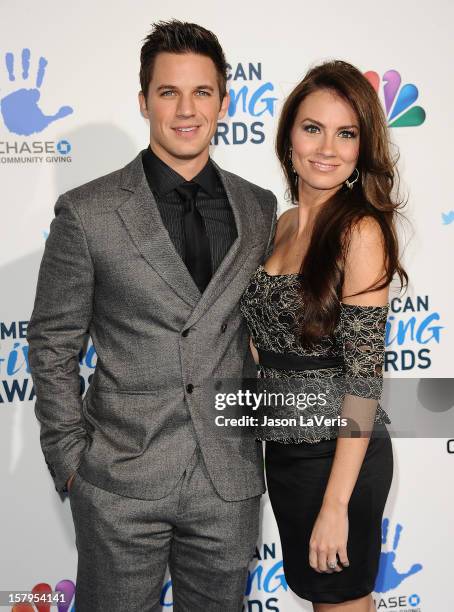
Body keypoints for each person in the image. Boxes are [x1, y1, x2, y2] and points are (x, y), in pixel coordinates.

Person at [27, 20, 277, 612]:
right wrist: (72, 465)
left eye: (201, 92)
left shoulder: (260, 208)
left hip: (227, 481)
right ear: (144, 101)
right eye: (169, 92)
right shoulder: (87, 212)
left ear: (224, 100)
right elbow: (52, 343)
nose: (186, 110)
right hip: (119, 483)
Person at [240, 61, 407, 611]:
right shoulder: (281, 224)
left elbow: (363, 380)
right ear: (289, 134)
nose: (327, 147)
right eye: (313, 128)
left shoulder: (360, 231)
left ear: (363, 147)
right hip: (285, 454)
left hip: (339, 460)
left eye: (346, 133)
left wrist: (336, 505)